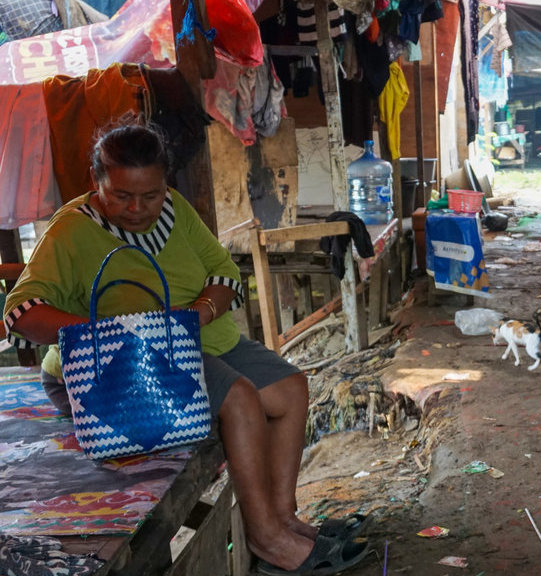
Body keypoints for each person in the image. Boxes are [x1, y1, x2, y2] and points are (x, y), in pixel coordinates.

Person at [3, 123, 367, 576]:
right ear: (96, 180)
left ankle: (284, 517)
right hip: (115, 370)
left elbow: (224, 274)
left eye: (151, 195)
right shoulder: (70, 231)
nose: (138, 208)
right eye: (121, 196)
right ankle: (267, 538)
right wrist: (113, 334)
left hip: (192, 341)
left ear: (165, 185)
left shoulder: (176, 211)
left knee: (291, 387)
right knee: (240, 400)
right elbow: (20, 312)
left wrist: (194, 316)